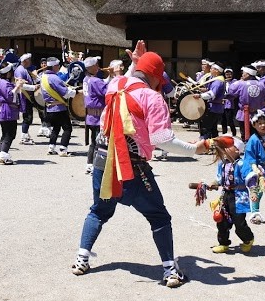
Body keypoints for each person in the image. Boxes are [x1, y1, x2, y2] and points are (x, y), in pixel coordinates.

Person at [71, 45, 207, 288]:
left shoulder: (115, 85)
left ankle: (81, 258)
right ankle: (169, 270)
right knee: (159, 217)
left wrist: (136, 61)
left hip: (102, 161)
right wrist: (194, 149)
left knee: (99, 211)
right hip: (130, 167)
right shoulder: (152, 98)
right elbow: (162, 140)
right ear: (157, 76)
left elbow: (129, 78)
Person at [203, 136, 257, 254]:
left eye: (227, 147)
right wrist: (214, 184)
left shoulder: (242, 164)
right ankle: (223, 243)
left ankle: (248, 239)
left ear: (237, 150)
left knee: (239, 223)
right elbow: (220, 179)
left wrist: (253, 190)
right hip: (226, 195)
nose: (223, 149)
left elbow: (250, 177)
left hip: (239, 196)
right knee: (221, 221)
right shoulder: (222, 163)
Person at [40, 57, 76, 156]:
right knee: (68, 128)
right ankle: (63, 149)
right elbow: (65, 93)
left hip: (49, 108)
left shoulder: (43, 77)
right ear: (54, 66)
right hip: (59, 108)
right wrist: (75, 92)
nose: (59, 67)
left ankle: (51, 147)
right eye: (58, 65)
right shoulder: (54, 78)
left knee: (56, 128)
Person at [82, 56, 108, 174]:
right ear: (91, 67)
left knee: (94, 142)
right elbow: (106, 91)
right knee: (99, 142)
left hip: (90, 116)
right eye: (96, 65)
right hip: (98, 117)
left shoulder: (86, 79)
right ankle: (96, 166)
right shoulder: (95, 81)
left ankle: (89, 164)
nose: (98, 67)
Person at [0, 62, 20, 164]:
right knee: (10, 133)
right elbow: (10, 96)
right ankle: (3, 154)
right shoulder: (4, 83)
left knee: (5, 133)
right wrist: (17, 87)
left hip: (3, 109)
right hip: (8, 110)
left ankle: (1, 153)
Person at [193, 61, 225, 140]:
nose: (210, 70)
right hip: (216, 108)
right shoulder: (216, 79)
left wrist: (200, 95)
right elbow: (210, 91)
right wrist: (204, 90)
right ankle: (214, 147)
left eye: (212, 68)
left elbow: (212, 94)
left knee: (206, 128)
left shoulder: (218, 81)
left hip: (213, 108)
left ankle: (203, 145)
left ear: (217, 71)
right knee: (213, 129)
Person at [234, 66, 265, 141]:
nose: (242, 74)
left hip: (244, 112)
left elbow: (231, 92)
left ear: (248, 74)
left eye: (243, 73)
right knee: (256, 133)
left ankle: (247, 146)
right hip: (257, 112)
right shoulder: (261, 84)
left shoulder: (241, 84)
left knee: (244, 133)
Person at [14, 53, 38, 144]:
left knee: (28, 116)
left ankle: (26, 133)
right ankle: (24, 136)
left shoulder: (24, 69)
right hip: (24, 95)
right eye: (29, 60)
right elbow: (20, 85)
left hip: (27, 95)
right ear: (25, 61)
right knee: (27, 116)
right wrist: (33, 87)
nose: (30, 62)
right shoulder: (20, 70)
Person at [221, 67, 238, 136]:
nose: (228, 75)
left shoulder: (235, 81)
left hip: (230, 103)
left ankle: (234, 134)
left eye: (230, 73)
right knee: (223, 120)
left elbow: (234, 92)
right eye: (227, 73)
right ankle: (224, 134)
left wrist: (226, 96)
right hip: (222, 104)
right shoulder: (223, 81)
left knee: (230, 120)